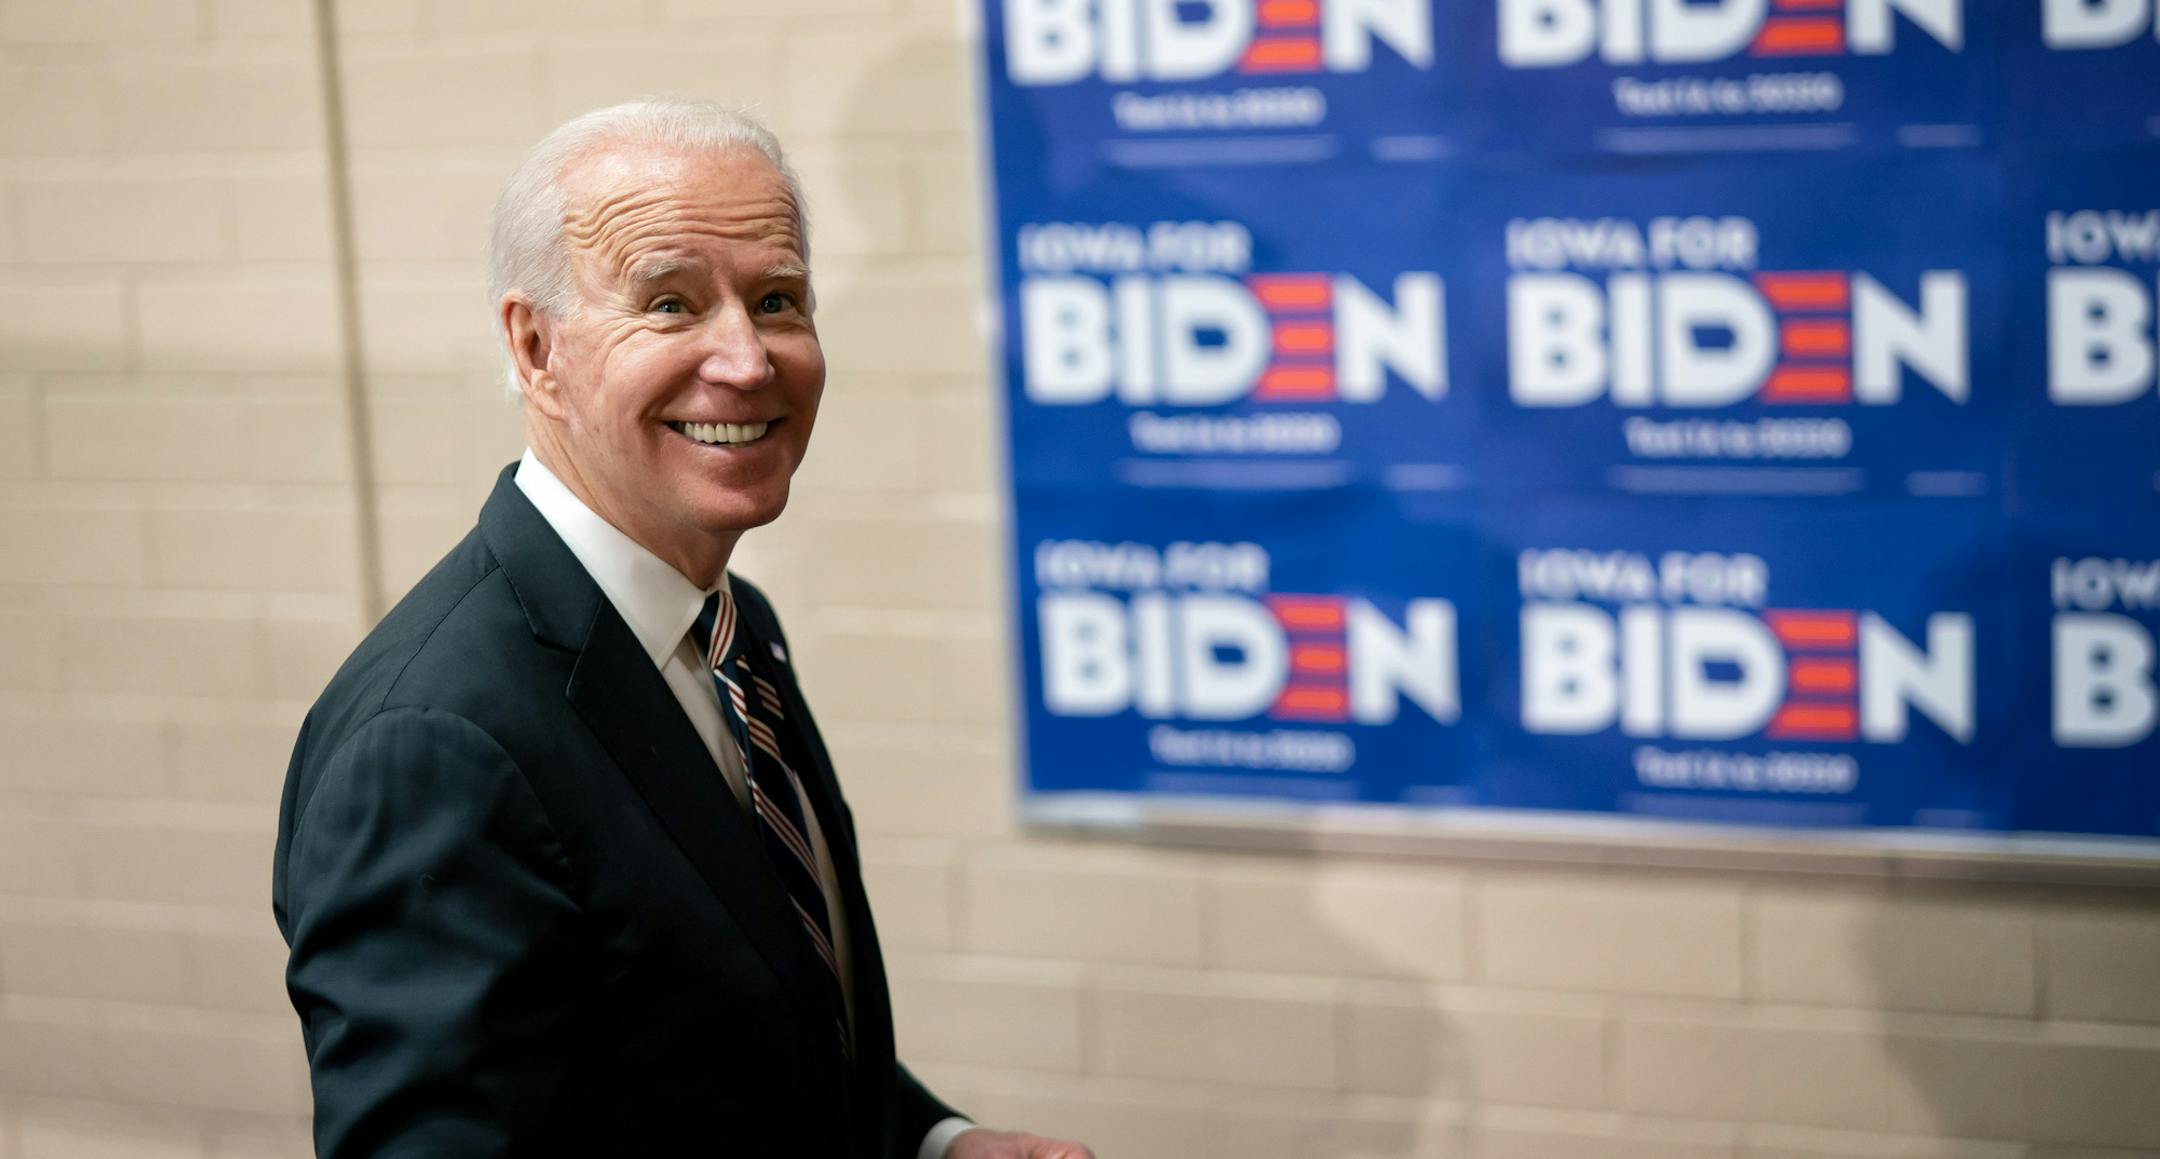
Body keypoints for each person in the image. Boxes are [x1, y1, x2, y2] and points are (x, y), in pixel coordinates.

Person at [271, 99, 1092, 1159]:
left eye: (778, 299)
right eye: (670, 304)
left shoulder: (729, 632)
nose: (747, 361)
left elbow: (736, 1036)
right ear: (534, 347)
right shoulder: (435, 743)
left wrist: (933, 1142)